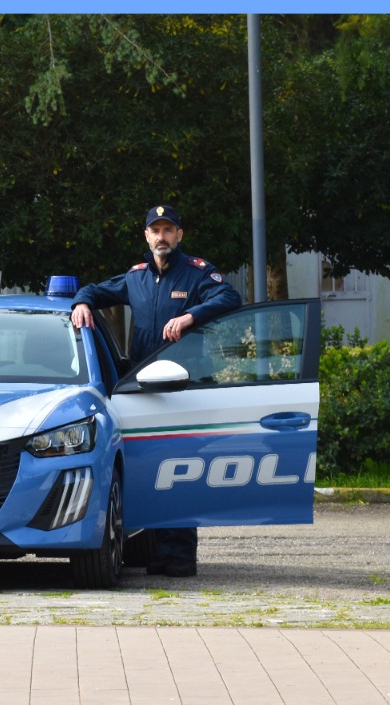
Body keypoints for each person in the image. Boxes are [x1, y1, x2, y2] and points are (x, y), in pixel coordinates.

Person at [70, 204, 241, 577]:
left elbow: (230, 298)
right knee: (152, 469)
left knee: (179, 470)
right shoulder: (136, 278)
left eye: (168, 230)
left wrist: (190, 316)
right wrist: (82, 301)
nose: (162, 237)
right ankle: (161, 552)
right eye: (155, 231)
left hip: (182, 386)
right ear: (146, 237)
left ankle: (180, 557)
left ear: (179, 235)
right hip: (144, 387)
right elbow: (95, 290)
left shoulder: (196, 273)